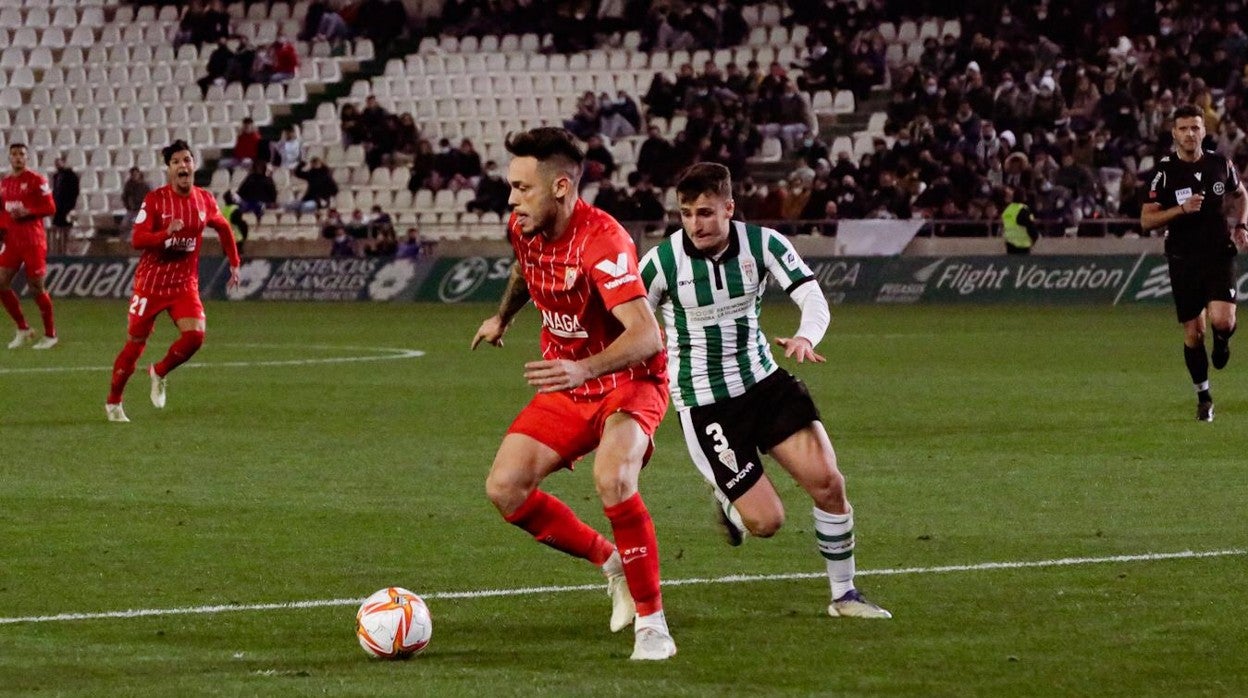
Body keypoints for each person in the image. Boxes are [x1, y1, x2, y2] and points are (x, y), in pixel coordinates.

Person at [639, 163, 891, 620]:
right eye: (687, 214)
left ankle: (844, 595)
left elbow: (811, 295)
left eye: (706, 213)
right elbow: (630, 320)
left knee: (829, 483)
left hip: (764, 381)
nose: (695, 224)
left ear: (729, 209)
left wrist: (805, 336)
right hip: (706, 403)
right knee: (767, 523)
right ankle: (728, 496)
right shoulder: (661, 263)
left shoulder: (764, 244)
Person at [470, 127, 676, 661]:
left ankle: (654, 627)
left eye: (522, 188)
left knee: (612, 476)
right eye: (510, 187)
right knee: (506, 487)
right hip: (572, 379)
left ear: (561, 187)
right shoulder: (525, 226)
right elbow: (525, 269)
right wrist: (502, 316)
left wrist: (584, 368)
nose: (511, 199)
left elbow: (646, 334)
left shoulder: (603, 242)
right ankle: (613, 564)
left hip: (628, 379)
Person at [104, 140, 241, 423]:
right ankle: (114, 402)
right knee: (134, 347)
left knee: (195, 336)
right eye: (177, 161)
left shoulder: (203, 199)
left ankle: (160, 371)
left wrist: (235, 263)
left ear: (194, 165)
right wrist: (165, 234)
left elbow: (224, 228)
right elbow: (137, 240)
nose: (183, 165)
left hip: (183, 285)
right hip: (150, 284)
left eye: (187, 160)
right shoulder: (155, 200)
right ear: (168, 168)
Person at [1141, 104, 1248, 422]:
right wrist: (1180, 210)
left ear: (1204, 131)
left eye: (1196, 127)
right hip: (1182, 258)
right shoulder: (1164, 172)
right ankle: (1204, 397)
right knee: (1193, 333)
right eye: (1184, 128)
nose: (1190, 133)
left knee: (1222, 321)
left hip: (1218, 252)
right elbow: (1146, 220)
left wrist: (1242, 225)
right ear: (1174, 132)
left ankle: (1224, 340)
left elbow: (1242, 195)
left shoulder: (1220, 164)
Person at [0, 143, 58, 349]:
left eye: (21, 154)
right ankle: (23, 328)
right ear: (9, 158)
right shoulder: (5, 183)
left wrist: (28, 212)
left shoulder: (36, 180)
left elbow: (50, 207)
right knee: (0, 282)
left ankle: (51, 334)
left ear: (27, 158)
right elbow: (3, 210)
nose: (17, 158)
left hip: (33, 241)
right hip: (12, 242)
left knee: (36, 287)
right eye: (14, 154)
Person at [49, 156, 79, 255]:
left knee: (66, 227)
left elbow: (75, 191)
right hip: (57, 206)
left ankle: (66, 248)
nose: (57, 165)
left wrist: (71, 205)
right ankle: (58, 250)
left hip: (66, 205)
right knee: (57, 226)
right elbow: (55, 191)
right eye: (56, 163)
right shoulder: (56, 176)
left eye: (59, 163)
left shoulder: (71, 175)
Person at [1000, 186, 1038, 254]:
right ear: (1024, 197)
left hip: (1010, 244)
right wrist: (1035, 237)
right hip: (1022, 244)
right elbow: (1030, 226)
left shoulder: (1007, 210)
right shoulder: (1023, 209)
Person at [121, 167, 152, 235]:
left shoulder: (144, 186)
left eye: (135, 174)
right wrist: (128, 207)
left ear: (138, 174)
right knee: (124, 224)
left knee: (135, 223)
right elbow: (125, 197)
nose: (134, 176)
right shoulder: (129, 185)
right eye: (132, 174)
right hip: (132, 209)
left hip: (141, 210)